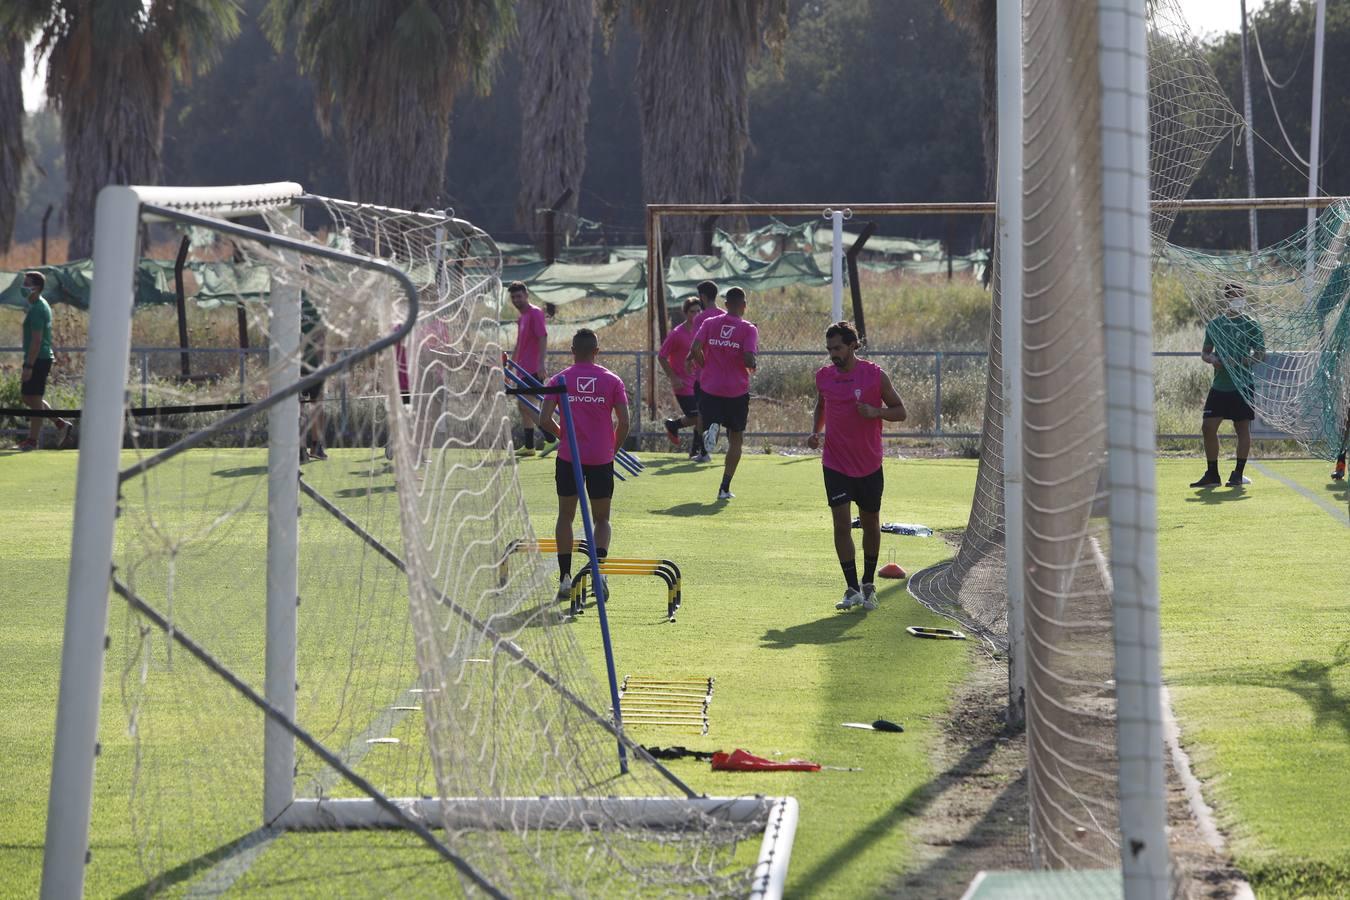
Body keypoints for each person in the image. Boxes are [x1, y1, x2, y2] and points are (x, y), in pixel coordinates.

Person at [808, 321, 907, 611]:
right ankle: (851, 588)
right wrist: (815, 430)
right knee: (841, 524)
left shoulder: (875, 375)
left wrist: (875, 411)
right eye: (829, 349)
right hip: (835, 462)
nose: (832, 355)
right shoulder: (824, 377)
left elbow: (901, 411)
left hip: (868, 463)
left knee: (870, 523)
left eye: (837, 348)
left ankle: (868, 585)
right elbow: (821, 405)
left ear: (852, 345)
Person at [538, 329, 630, 607]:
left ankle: (565, 577)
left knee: (565, 515)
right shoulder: (612, 380)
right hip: (601, 459)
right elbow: (624, 422)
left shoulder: (559, 379)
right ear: (597, 351)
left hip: (569, 457)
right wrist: (611, 450)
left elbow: (543, 418)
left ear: (572, 350)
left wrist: (563, 435)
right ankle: (598, 572)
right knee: (601, 519)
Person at [1191, 284, 1266, 488]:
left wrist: (1241, 361)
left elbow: (1260, 354)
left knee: (1241, 427)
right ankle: (1212, 474)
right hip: (1220, 385)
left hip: (1243, 385)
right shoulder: (1215, 324)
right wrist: (1212, 359)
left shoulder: (1251, 324)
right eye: (1234, 296)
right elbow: (1205, 353)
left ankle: (1237, 474)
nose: (1238, 299)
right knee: (1208, 427)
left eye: (1241, 296)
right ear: (1227, 298)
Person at [687, 286, 757, 500]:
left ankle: (711, 430)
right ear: (744, 305)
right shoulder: (748, 329)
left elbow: (695, 348)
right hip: (736, 390)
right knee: (736, 439)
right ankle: (724, 487)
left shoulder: (709, 323)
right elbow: (747, 358)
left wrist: (703, 364)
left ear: (726, 305)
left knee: (708, 418)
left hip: (711, 387)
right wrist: (751, 363)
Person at [17, 271, 72, 451]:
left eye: (27, 284)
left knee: (34, 400)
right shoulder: (36, 306)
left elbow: (37, 340)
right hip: (37, 358)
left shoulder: (39, 308)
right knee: (29, 398)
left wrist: (29, 365)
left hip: (38, 359)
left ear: (37, 287)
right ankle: (60, 424)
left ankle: (32, 441)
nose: (23, 288)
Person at [508, 280, 557, 457]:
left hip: (533, 369)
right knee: (523, 407)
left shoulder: (535, 313)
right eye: (513, 297)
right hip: (521, 370)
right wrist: (510, 368)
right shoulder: (522, 317)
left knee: (528, 405)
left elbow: (543, 337)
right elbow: (519, 345)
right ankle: (529, 445)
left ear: (526, 295)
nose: (516, 300)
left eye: (519, 296)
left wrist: (541, 363)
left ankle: (551, 438)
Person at [658, 297, 706, 459]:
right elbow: (662, 356)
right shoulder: (677, 334)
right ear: (685, 313)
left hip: (700, 381)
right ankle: (673, 425)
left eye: (699, 311)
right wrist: (673, 377)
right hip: (683, 384)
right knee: (696, 416)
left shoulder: (703, 330)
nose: (696, 314)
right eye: (692, 311)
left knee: (702, 416)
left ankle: (695, 451)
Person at [299, 292, 327, 462]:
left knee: (303, 408)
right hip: (308, 366)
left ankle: (306, 448)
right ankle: (312, 447)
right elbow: (322, 337)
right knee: (311, 407)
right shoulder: (311, 308)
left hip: (303, 367)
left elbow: (321, 337)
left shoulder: (287, 306)